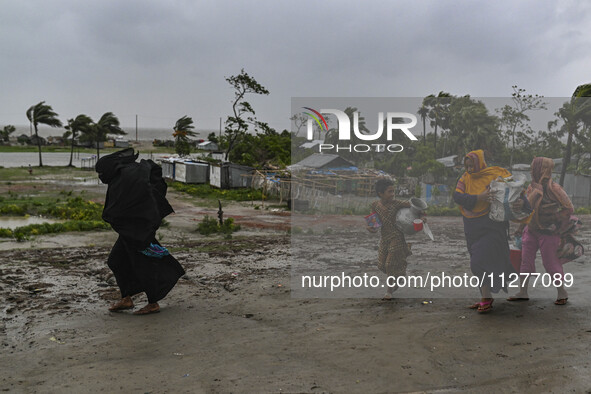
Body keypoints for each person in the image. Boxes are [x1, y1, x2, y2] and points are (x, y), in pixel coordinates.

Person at [95, 148, 185, 315]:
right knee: (116, 261)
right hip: (130, 230)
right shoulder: (120, 177)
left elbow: (139, 196)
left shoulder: (127, 176)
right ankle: (126, 298)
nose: (101, 177)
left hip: (140, 230)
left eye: (101, 172)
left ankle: (153, 303)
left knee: (144, 264)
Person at [453, 150, 530, 313]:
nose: (470, 169)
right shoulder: (465, 178)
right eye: (467, 166)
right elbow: (458, 197)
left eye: (472, 165)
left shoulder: (496, 174)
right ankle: (485, 298)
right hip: (472, 229)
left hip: (492, 227)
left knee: (477, 263)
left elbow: (518, 192)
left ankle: (486, 298)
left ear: (480, 162)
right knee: (479, 263)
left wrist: (521, 203)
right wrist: (479, 198)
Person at [508, 157, 575, 305]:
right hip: (531, 229)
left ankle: (562, 291)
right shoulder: (532, 188)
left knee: (550, 263)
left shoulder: (554, 188)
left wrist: (554, 218)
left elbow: (569, 208)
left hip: (549, 232)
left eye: (535, 168)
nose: (532, 171)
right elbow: (528, 210)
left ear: (542, 169)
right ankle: (523, 292)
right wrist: (520, 228)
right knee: (525, 260)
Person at [367, 178, 424, 300]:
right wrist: (370, 228)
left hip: (397, 237)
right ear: (380, 194)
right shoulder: (375, 206)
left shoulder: (397, 203)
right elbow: (374, 225)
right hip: (384, 238)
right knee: (381, 265)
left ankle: (389, 291)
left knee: (389, 264)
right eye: (389, 192)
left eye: (393, 191)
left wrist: (422, 217)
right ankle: (399, 277)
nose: (393, 194)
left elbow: (416, 208)